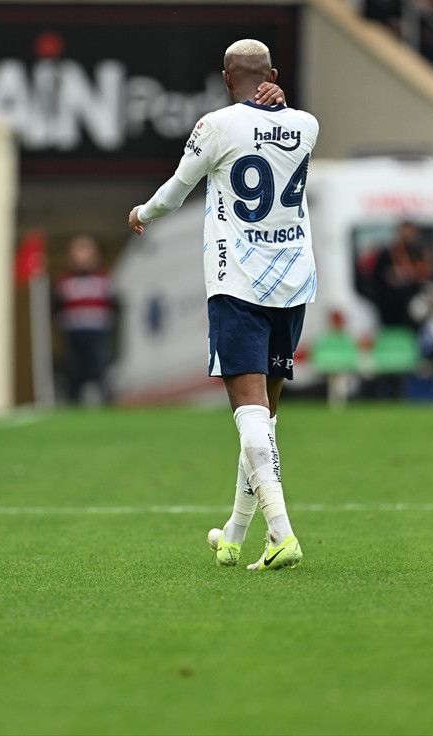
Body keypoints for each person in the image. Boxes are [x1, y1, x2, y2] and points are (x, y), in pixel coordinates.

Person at [128, 39, 313, 572]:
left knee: (249, 414)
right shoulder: (307, 126)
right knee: (263, 420)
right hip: (294, 281)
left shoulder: (214, 127)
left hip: (239, 284)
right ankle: (233, 534)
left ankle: (281, 532)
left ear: (226, 78)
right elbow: (274, 129)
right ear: (272, 75)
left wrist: (142, 213)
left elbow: (175, 191)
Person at [54, 235, 117, 405]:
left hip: (98, 333)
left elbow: (114, 305)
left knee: (100, 369)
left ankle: (106, 403)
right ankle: (73, 404)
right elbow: (57, 307)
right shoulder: (64, 281)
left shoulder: (104, 278)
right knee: (74, 372)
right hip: (73, 334)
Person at [358, 221, 433, 328]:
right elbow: (377, 279)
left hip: (415, 306)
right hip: (390, 307)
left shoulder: (420, 255)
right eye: (404, 235)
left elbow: (427, 276)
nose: (407, 238)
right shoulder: (387, 255)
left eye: (410, 235)